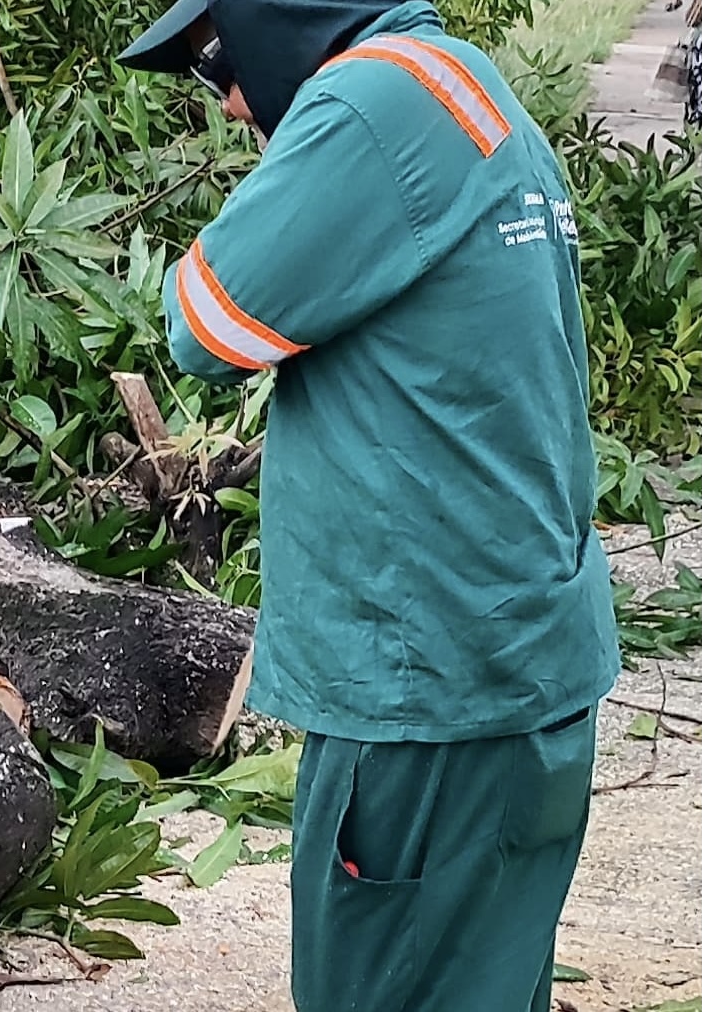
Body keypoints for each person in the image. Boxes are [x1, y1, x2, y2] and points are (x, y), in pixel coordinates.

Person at [117, 0, 621, 1009]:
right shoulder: (463, 80)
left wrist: (288, 171)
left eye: (215, 60)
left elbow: (205, 323)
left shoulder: (367, 103)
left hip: (427, 696)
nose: (221, 103)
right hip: (519, 664)